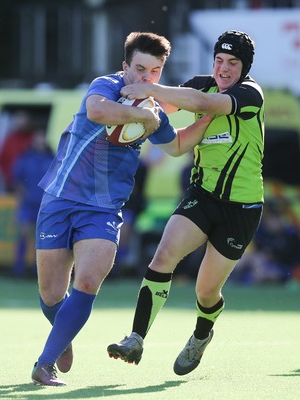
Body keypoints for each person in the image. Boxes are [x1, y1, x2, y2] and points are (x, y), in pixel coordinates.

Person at [31, 31, 212, 386]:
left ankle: (45, 362)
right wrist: (142, 116)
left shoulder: (152, 109)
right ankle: (61, 337)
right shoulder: (107, 85)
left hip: (103, 209)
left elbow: (175, 146)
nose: (147, 78)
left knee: (86, 281)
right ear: (125, 66)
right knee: (51, 294)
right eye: (140, 69)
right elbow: (98, 111)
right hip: (60, 198)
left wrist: (206, 119)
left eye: (155, 72)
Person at [107, 30, 265, 376]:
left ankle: (201, 334)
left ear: (245, 67)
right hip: (202, 196)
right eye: (219, 60)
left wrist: (149, 89)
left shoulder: (250, 94)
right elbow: (162, 105)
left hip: (242, 208)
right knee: (164, 255)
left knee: (206, 291)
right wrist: (126, 104)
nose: (223, 69)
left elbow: (204, 105)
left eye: (232, 63)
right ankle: (136, 338)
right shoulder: (200, 85)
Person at [11, 129, 54, 278]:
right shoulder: (25, 158)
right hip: (27, 204)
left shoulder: (52, 158)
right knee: (24, 234)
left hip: (45, 205)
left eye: (42, 137)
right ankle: (19, 269)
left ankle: (38, 271)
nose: (40, 140)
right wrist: (21, 199)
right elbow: (17, 181)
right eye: (37, 137)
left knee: (42, 238)